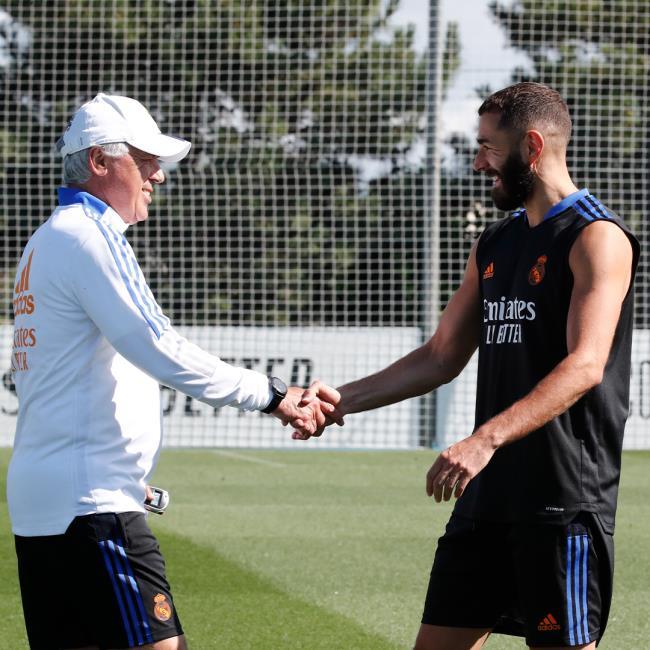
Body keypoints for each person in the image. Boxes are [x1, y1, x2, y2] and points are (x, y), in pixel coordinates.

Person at [297, 82, 640, 649]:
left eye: (488, 148)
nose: (479, 162)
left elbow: (586, 365)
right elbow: (440, 356)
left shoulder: (597, 237)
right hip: (487, 498)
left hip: (561, 502)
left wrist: (485, 439)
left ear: (532, 146)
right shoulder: (496, 242)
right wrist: (340, 403)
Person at [8, 93, 340, 650]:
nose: (157, 175)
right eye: (144, 160)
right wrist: (273, 394)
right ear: (99, 162)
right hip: (93, 505)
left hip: (49, 506)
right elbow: (159, 347)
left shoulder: (46, 240)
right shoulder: (92, 236)